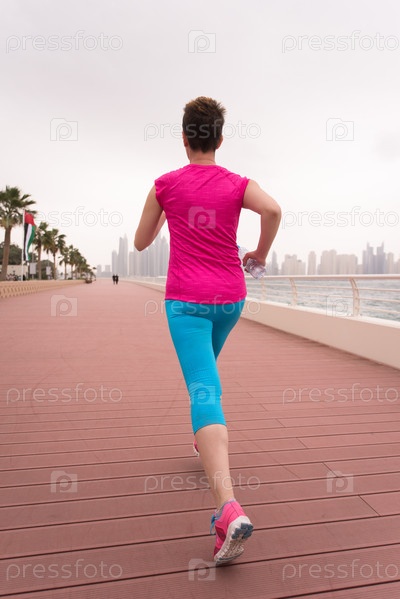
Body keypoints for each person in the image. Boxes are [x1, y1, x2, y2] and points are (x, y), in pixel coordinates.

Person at [134, 97, 281, 564]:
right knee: (207, 376)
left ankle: (227, 510)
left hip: (187, 302)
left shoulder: (166, 184)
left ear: (184, 138)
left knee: (203, 388)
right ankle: (203, 439)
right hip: (230, 299)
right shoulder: (238, 183)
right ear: (219, 138)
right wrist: (259, 254)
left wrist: (167, 209)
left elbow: (140, 242)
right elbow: (273, 210)